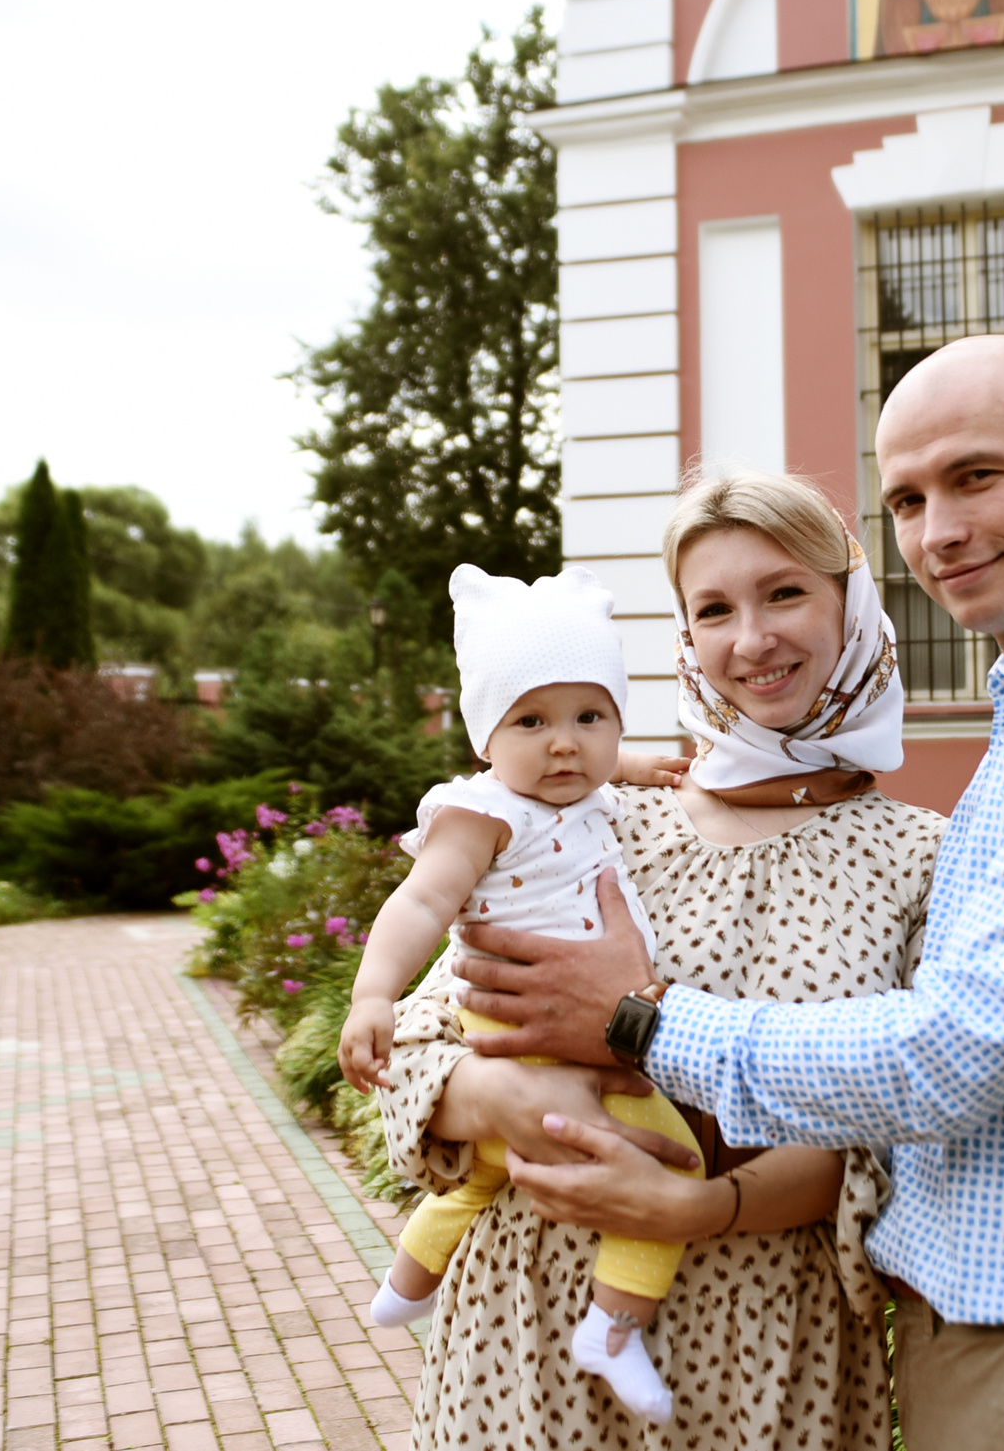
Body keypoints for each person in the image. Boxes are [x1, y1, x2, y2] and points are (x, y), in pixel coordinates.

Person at [453, 335, 1004, 1451]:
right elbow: (436, 1022)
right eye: (906, 497)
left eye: (977, 474)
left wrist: (642, 1024)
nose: (939, 530)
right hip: (575, 1359)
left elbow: (947, 1057)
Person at [361, 471, 947, 1448]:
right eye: (712, 607)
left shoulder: (921, 857)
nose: (750, 637)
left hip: (767, 1358)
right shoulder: (588, 816)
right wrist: (497, 1099)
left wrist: (699, 1201)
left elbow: (907, 1133)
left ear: (850, 600)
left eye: (785, 591)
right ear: (684, 635)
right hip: (523, 1349)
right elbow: (421, 1030)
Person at [341, 564, 699, 1421]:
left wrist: (652, 764)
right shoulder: (486, 812)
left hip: (548, 1028)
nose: (565, 743)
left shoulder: (584, 793)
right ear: (484, 738)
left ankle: (408, 1282)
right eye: (531, 720)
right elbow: (422, 899)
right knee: (663, 1168)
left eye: (590, 716)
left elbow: (613, 768)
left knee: (486, 1172)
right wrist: (371, 995)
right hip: (533, 1026)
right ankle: (611, 1329)